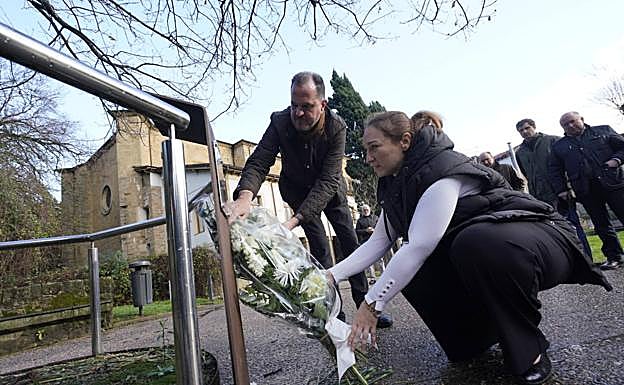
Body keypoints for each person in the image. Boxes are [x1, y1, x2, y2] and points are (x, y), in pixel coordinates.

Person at [328, 110, 611, 385]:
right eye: (366, 150)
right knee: (417, 271)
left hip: (539, 240)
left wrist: (372, 304)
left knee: (471, 243)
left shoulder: (441, 169)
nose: (367, 158)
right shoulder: (396, 183)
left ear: (403, 141)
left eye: (374, 147)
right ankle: (474, 338)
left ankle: (529, 348)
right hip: (490, 248)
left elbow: (419, 245)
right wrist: (329, 277)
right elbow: (379, 242)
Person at [226, 71, 392, 328]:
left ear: (322, 104)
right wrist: (245, 196)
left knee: (350, 244)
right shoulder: (280, 122)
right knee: (320, 251)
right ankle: (334, 316)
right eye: (294, 106)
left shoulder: (337, 128)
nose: (299, 114)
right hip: (296, 190)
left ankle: (364, 306)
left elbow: (327, 180)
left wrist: (292, 223)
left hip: (331, 192)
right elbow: (260, 160)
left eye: (307, 107)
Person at [549, 111, 624, 270]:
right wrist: (562, 190)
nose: (570, 125)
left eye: (572, 121)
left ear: (582, 119)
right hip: (586, 189)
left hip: (613, 183)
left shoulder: (603, 130)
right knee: (601, 224)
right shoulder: (559, 146)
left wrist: (616, 160)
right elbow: (554, 170)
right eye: (565, 124)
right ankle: (615, 256)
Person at [515, 118, 592, 258]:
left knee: (573, 227)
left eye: (527, 128)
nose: (524, 132)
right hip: (540, 197)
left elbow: (567, 166)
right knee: (554, 231)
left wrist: (567, 188)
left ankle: (587, 259)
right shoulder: (520, 152)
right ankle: (569, 263)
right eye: (521, 131)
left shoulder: (553, 141)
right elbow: (526, 174)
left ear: (534, 127)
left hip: (560, 193)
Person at [355, 204, 382, 283]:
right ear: (362, 211)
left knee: (380, 259)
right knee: (369, 261)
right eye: (364, 210)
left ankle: (383, 275)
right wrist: (365, 231)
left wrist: (374, 230)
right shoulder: (359, 221)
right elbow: (357, 232)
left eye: (367, 209)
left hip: (376, 240)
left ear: (369, 210)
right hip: (365, 242)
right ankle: (372, 278)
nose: (366, 211)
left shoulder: (375, 218)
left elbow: (380, 227)